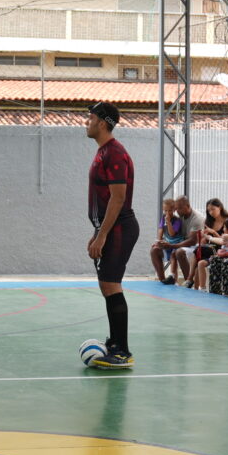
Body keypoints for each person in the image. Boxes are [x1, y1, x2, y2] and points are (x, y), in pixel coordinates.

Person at [83, 102, 137, 369]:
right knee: (107, 286)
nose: (86, 122)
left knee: (111, 285)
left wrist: (102, 235)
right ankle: (115, 343)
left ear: (103, 123)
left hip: (119, 228)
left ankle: (122, 352)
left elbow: (118, 199)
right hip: (109, 228)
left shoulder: (114, 153)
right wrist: (97, 233)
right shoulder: (103, 152)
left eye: (90, 117)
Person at [153, 196, 201, 285]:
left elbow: (173, 234)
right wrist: (158, 241)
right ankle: (163, 279)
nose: (167, 213)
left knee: (174, 255)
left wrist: (168, 223)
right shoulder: (165, 217)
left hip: (180, 242)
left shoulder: (179, 220)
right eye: (165, 210)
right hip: (169, 241)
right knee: (154, 250)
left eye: (170, 210)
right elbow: (160, 229)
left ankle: (177, 278)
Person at [190, 199, 228, 291]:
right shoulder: (209, 221)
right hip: (210, 247)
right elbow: (204, 239)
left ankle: (191, 281)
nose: (211, 212)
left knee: (198, 253)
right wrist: (203, 237)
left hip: (221, 248)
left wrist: (213, 232)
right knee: (198, 251)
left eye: (213, 209)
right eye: (209, 210)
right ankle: (196, 287)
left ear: (220, 207)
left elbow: (226, 240)